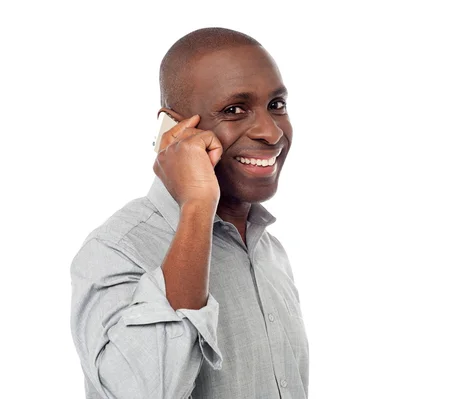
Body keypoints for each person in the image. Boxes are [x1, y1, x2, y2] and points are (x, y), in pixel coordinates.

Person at [70, 27, 309, 399]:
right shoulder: (116, 250)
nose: (271, 131)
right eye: (234, 109)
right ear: (174, 130)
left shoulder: (271, 252)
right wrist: (197, 206)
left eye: (276, 105)